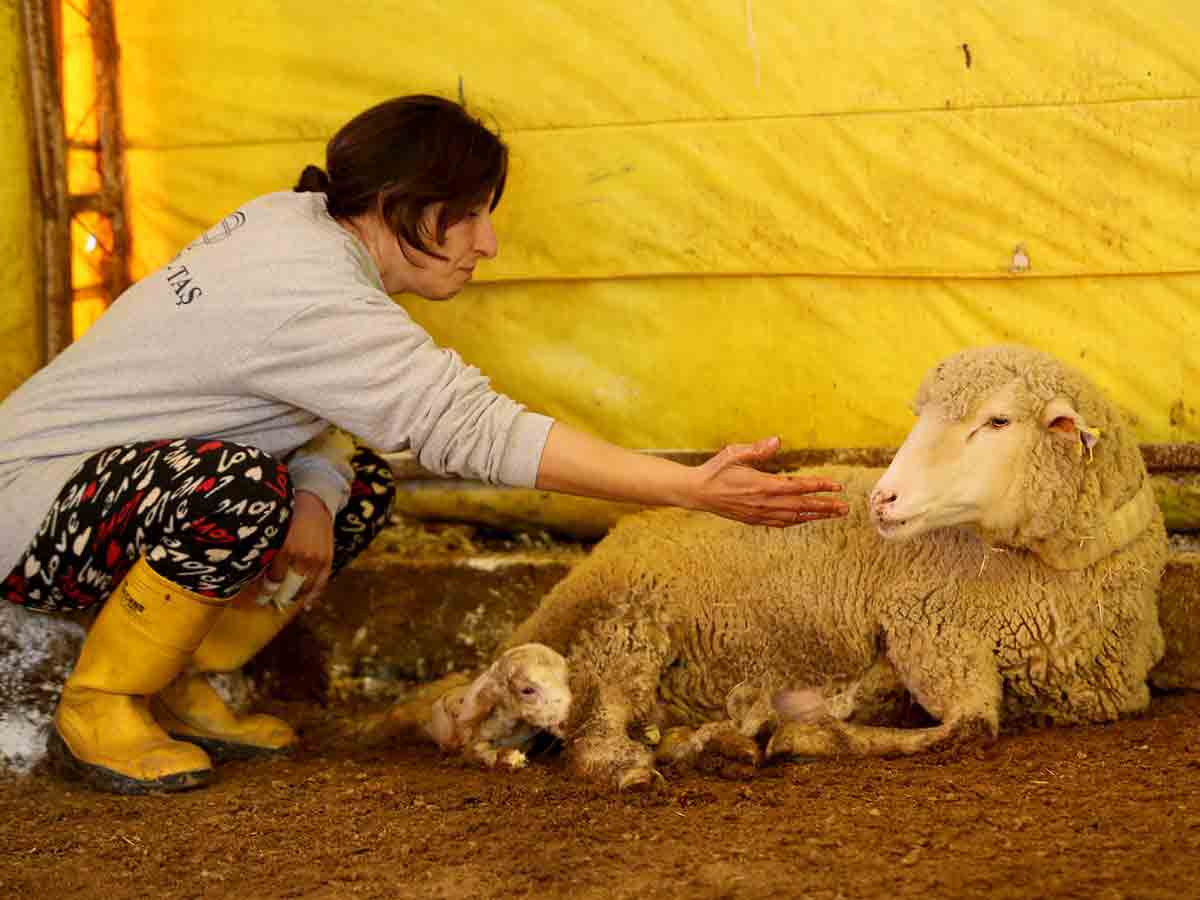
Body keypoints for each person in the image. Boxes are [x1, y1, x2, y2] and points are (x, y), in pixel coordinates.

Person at [0, 94, 848, 795]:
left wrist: (317, 497)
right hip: (31, 515)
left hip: (102, 493)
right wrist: (684, 488)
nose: (488, 244)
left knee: (352, 480)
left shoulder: (293, 224)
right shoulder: (310, 291)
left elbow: (286, 399)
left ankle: (179, 672)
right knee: (234, 487)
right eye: (470, 216)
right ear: (401, 206)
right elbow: (469, 427)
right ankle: (104, 699)